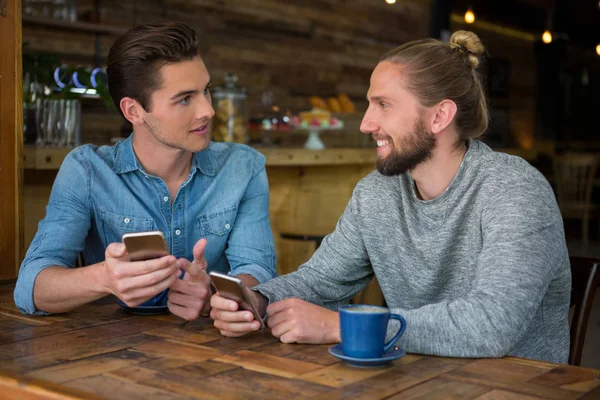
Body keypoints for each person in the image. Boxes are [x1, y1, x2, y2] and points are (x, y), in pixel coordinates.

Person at [210, 31, 571, 363]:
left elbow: (491, 325)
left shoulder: (514, 189)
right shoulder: (377, 193)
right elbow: (320, 281)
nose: (366, 123)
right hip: (418, 381)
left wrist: (341, 327)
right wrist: (255, 299)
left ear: (440, 116)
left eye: (383, 105)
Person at [14, 22, 276, 320]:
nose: (208, 110)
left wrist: (214, 298)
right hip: (107, 353)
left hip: (212, 351)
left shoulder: (243, 167)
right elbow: (30, 287)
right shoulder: (87, 170)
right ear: (134, 111)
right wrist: (103, 278)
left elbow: (258, 272)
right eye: (185, 99)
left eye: (206, 91)